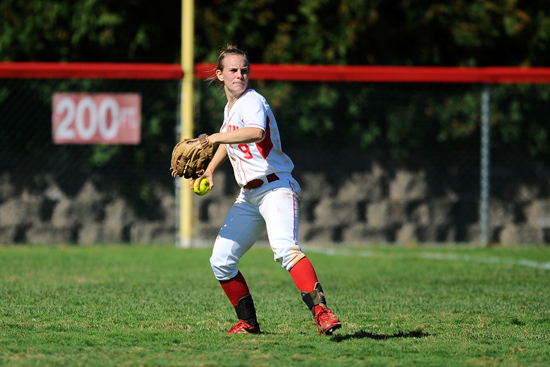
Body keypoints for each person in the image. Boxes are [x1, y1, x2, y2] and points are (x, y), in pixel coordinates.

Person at [192, 45, 341, 336]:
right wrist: (210, 169)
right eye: (233, 70)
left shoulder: (253, 101)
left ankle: (322, 313)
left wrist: (211, 137)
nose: (240, 75)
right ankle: (248, 322)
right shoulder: (231, 107)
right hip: (248, 196)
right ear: (220, 75)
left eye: (244, 69)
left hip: (275, 188)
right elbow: (228, 139)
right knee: (221, 260)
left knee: (285, 249)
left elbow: (255, 132)